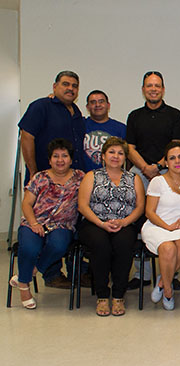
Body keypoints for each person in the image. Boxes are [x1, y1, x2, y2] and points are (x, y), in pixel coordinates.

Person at [17, 70, 86, 289]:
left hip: (71, 180)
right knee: (43, 227)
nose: (70, 89)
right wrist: (34, 170)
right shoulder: (41, 106)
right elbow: (27, 137)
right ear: (55, 86)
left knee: (67, 225)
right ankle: (51, 274)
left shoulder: (75, 112)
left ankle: (69, 271)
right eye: (65, 84)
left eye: (74, 86)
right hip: (46, 179)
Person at [126, 71, 180, 290]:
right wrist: (145, 168)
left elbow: (177, 147)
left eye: (157, 86)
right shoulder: (134, 116)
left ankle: (172, 274)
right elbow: (129, 148)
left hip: (168, 171)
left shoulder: (174, 114)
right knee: (140, 219)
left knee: (171, 219)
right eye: (149, 86)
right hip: (140, 173)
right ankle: (143, 274)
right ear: (143, 89)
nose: (153, 89)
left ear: (163, 89)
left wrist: (159, 166)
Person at [9, 139, 84, 309]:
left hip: (62, 225)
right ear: (49, 160)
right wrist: (34, 223)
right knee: (29, 248)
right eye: (55, 156)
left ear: (71, 159)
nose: (60, 160)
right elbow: (26, 203)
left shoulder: (81, 177)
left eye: (64, 156)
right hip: (34, 222)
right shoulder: (40, 177)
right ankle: (24, 287)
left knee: (58, 246)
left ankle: (28, 274)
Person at [77, 137, 145, 317]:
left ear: (125, 158)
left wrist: (124, 222)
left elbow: (140, 207)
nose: (116, 156)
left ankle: (118, 295)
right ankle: (102, 295)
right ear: (103, 156)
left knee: (123, 245)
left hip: (125, 223)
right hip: (94, 223)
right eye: (112, 152)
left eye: (120, 153)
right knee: (101, 245)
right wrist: (101, 223)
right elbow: (82, 206)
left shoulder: (134, 178)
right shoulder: (92, 176)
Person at [142, 141, 180, 311]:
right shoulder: (157, 181)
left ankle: (161, 281)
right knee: (168, 248)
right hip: (157, 226)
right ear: (166, 162)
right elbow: (149, 212)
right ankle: (167, 290)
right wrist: (167, 227)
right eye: (172, 158)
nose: (177, 161)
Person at [83, 90, 127, 171]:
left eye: (101, 101)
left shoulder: (121, 128)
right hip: (85, 178)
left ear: (108, 105)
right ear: (87, 107)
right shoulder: (80, 125)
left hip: (112, 179)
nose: (97, 105)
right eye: (93, 102)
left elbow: (128, 156)